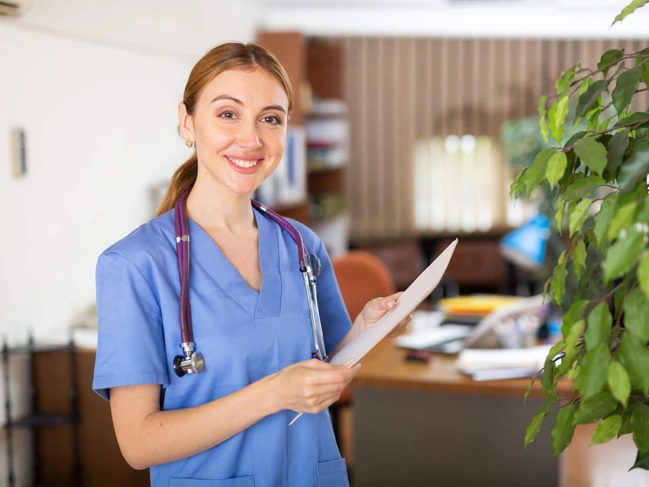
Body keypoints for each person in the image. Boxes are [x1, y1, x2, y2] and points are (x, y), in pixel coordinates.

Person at [92, 41, 410, 487]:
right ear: (187, 122)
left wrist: (368, 327)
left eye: (271, 119)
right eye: (228, 114)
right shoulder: (135, 265)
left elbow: (324, 368)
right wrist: (273, 393)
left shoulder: (302, 246)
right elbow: (139, 444)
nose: (252, 139)